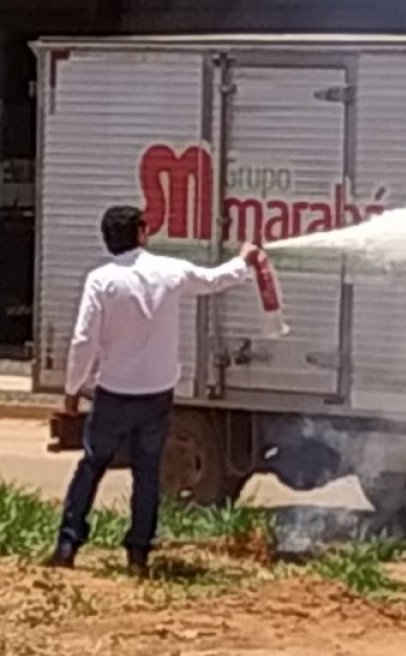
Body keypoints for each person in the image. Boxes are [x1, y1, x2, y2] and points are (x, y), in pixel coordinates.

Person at [46, 205, 261, 576]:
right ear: (142, 233)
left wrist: (72, 388)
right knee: (147, 473)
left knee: (92, 466)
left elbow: (84, 340)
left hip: (114, 392)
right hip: (157, 393)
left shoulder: (101, 280)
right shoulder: (168, 271)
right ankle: (138, 555)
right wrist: (245, 261)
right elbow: (212, 281)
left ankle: (68, 546)